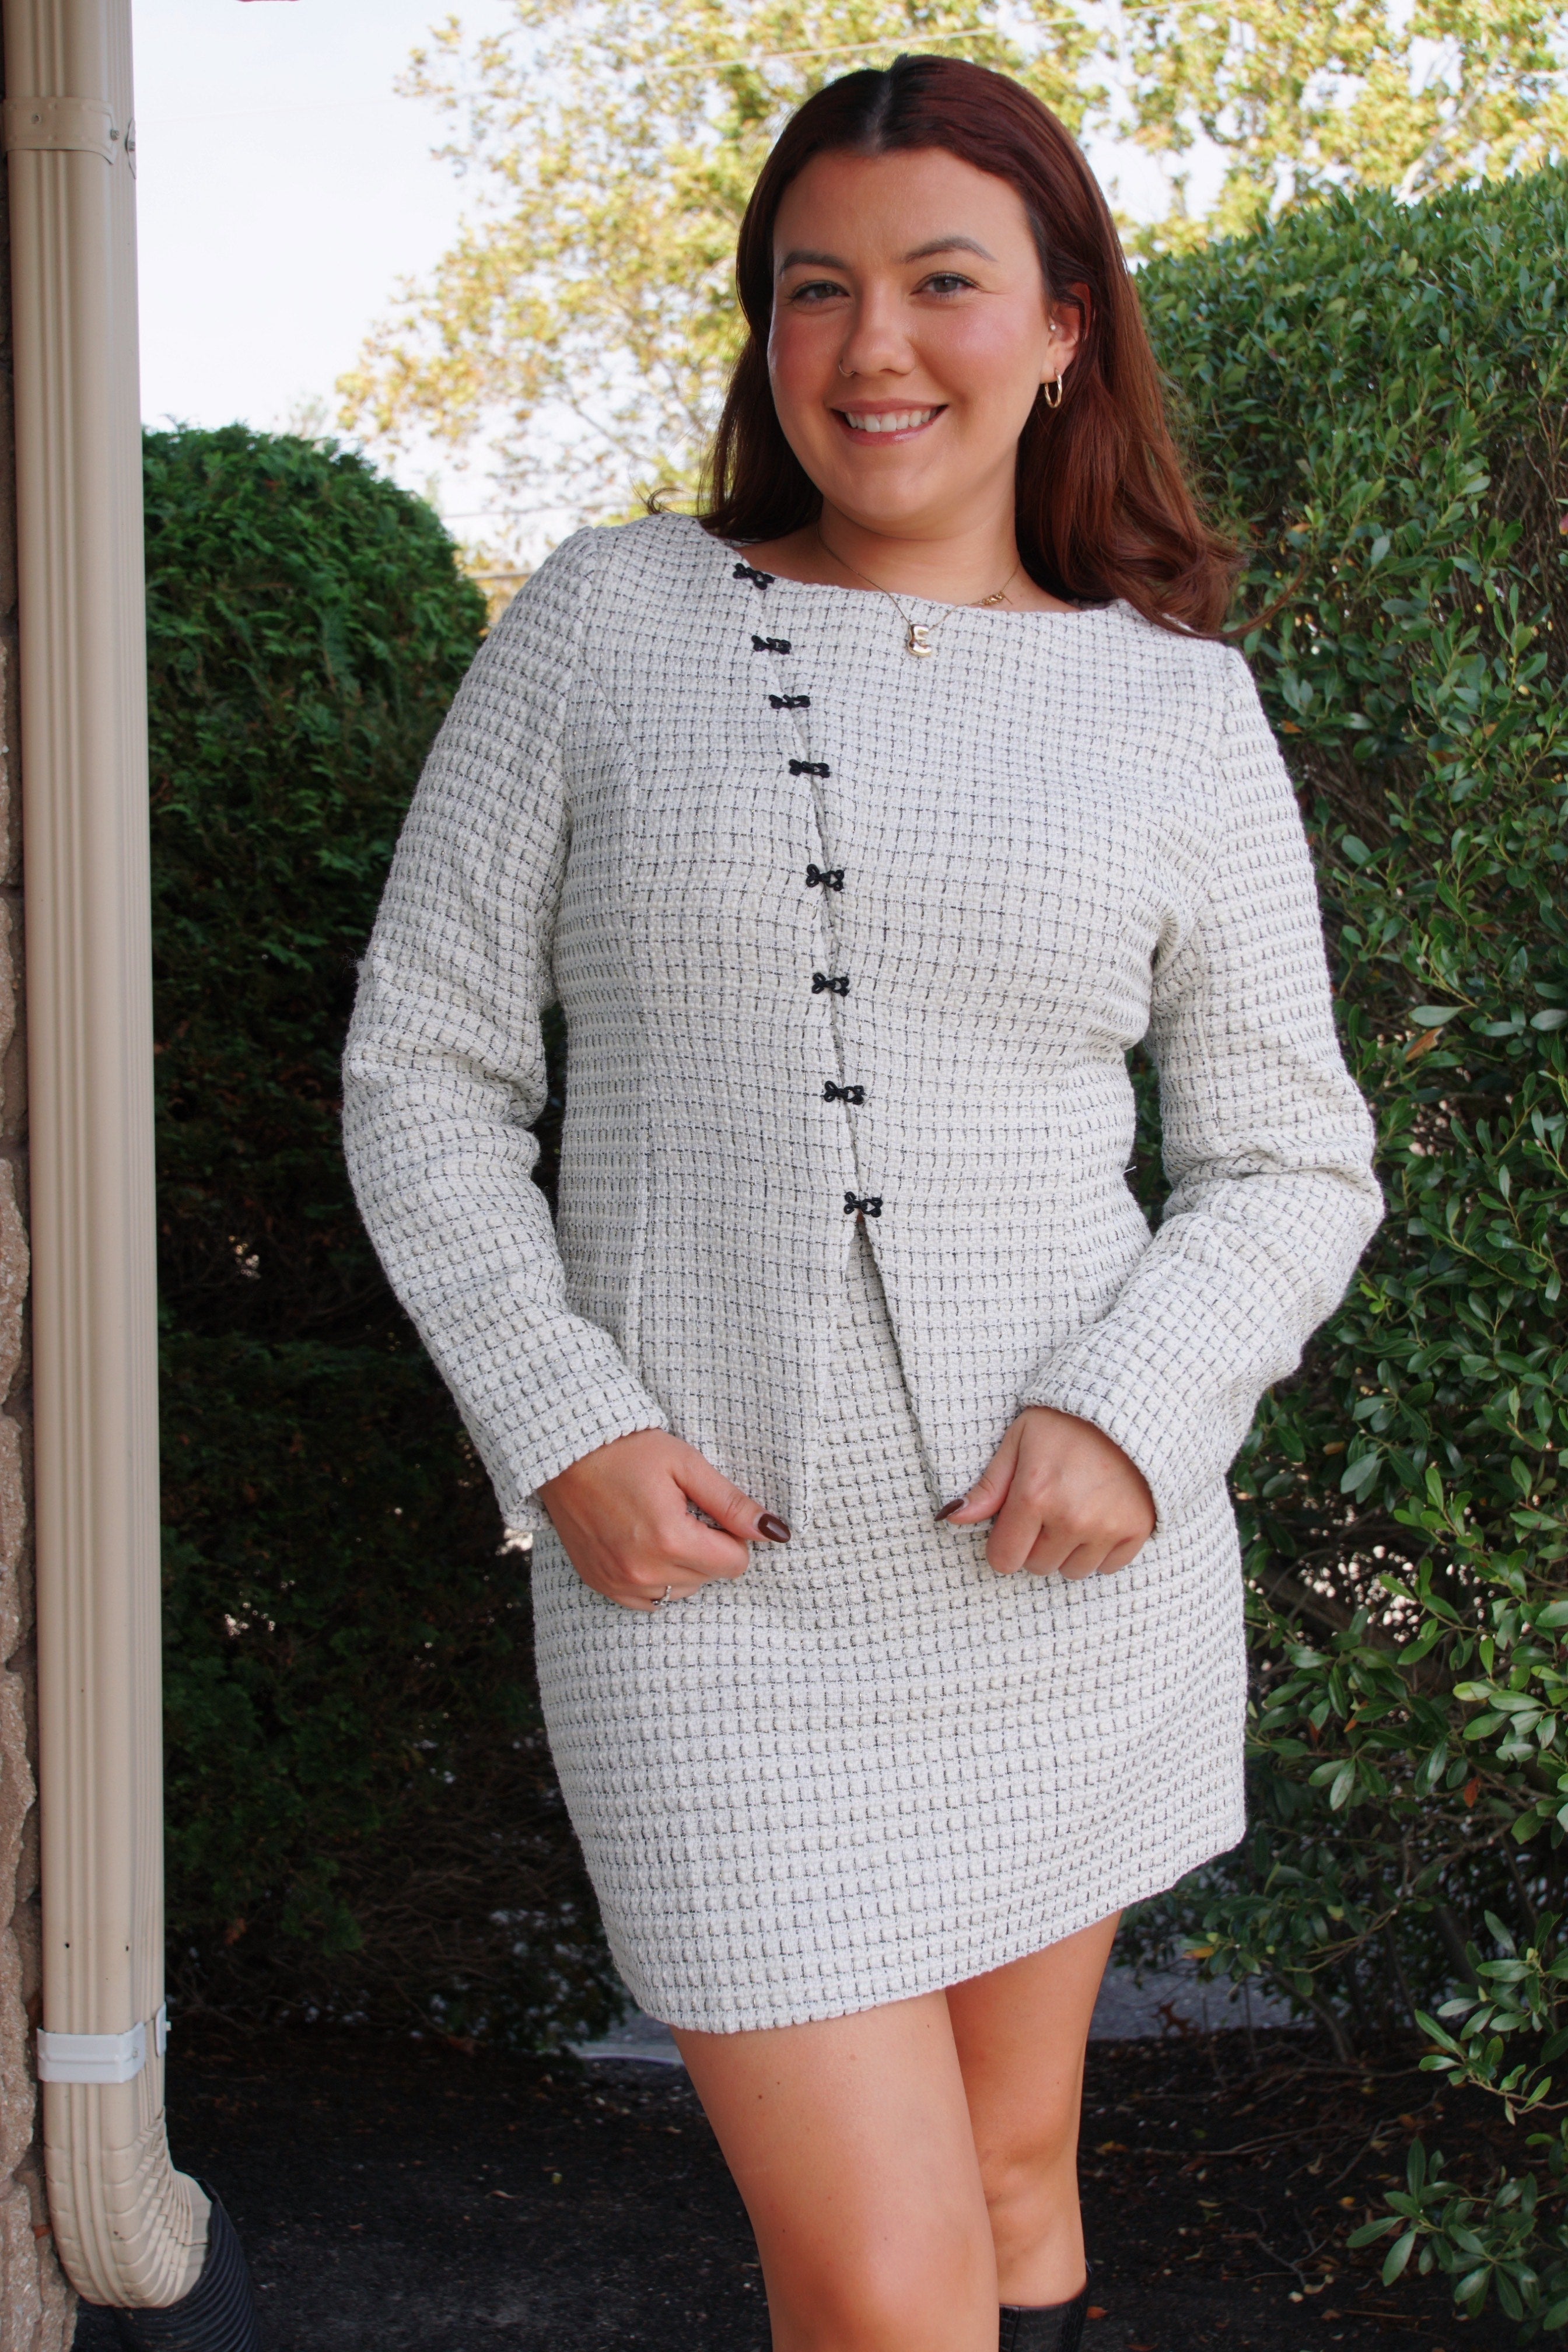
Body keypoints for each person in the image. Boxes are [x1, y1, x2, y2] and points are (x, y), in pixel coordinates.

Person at [342, 52, 1382, 2352]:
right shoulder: (610, 623)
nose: (872, 346)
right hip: (703, 1587)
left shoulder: (1176, 712)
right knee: (891, 2286)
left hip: (1057, 1582)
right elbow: (424, 1071)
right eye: (815, 289)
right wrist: (560, 1418)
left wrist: (1134, 1408)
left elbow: (1289, 1153)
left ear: (1064, 327)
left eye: (940, 283)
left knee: (1013, 2189)